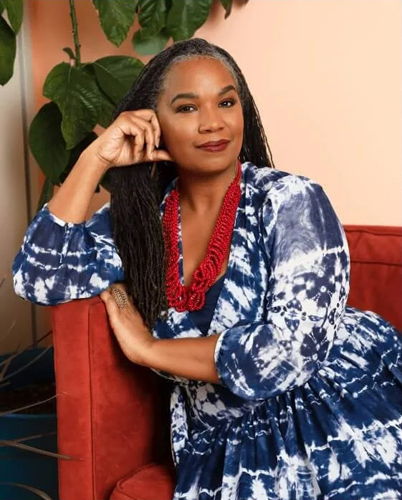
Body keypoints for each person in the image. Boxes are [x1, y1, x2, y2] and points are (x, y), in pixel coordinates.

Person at [12, 38, 402, 499]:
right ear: (152, 123)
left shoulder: (290, 200)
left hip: (336, 412)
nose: (213, 122)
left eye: (226, 102)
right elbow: (38, 277)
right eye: (187, 108)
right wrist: (95, 158)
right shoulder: (141, 221)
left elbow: (288, 353)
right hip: (223, 438)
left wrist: (148, 349)